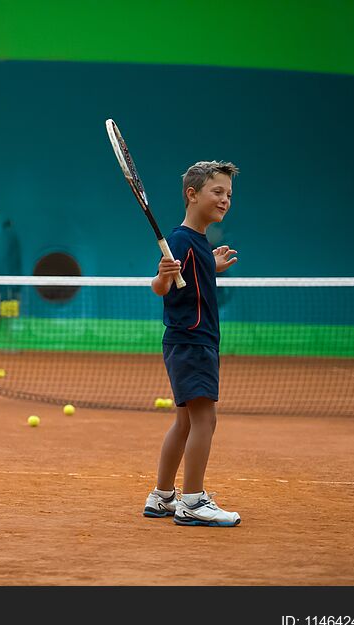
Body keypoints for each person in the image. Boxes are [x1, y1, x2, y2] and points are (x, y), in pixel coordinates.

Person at [143, 161, 241, 527]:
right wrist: (161, 276)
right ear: (192, 194)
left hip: (189, 342)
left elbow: (189, 278)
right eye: (217, 192)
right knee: (205, 420)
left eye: (229, 194)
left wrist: (208, 266)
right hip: (193, 342)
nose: (225, 200)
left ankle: (163, 496)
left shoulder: (197, 243)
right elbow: (161, 287)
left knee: (184, 421)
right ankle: (194, 501)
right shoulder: (181, 240)